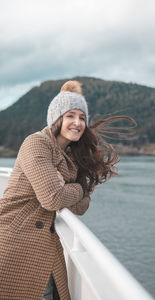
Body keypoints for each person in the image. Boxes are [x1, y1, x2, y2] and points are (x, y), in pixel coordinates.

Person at [0, 80, 136, 300]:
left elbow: (83, 206)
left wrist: (73, 189)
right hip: (14, 239)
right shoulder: (36, 143)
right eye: (70, 115)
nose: (78, 123)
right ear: (57, 118)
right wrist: (76, 190)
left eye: (82, 117)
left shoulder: (72, 156)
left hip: (45, 245)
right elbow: (53, 199)